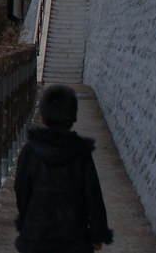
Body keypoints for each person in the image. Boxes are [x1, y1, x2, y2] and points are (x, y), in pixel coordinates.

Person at [15, 84, 114, 253]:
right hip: (74, 237)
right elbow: (93, 196)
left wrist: (26, 221)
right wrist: (98, 234)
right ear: (73, 116)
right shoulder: (81, 153)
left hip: (36, 236)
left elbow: (21, 190)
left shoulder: (30, 151)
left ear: (43, 115)